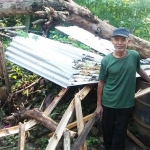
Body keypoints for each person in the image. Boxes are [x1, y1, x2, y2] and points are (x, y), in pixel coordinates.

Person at [95, 27, 150, 150]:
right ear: (112, 41)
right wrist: (99, 105)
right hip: (109, 102)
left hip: (125, 104)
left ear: (128, 41)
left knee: (120, 134)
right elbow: (101, 82)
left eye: (123, 40)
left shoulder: (134, 56)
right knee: (108, 132)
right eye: (117, 39)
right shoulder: (106, 61)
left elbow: (139, 70)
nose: (119, 42)